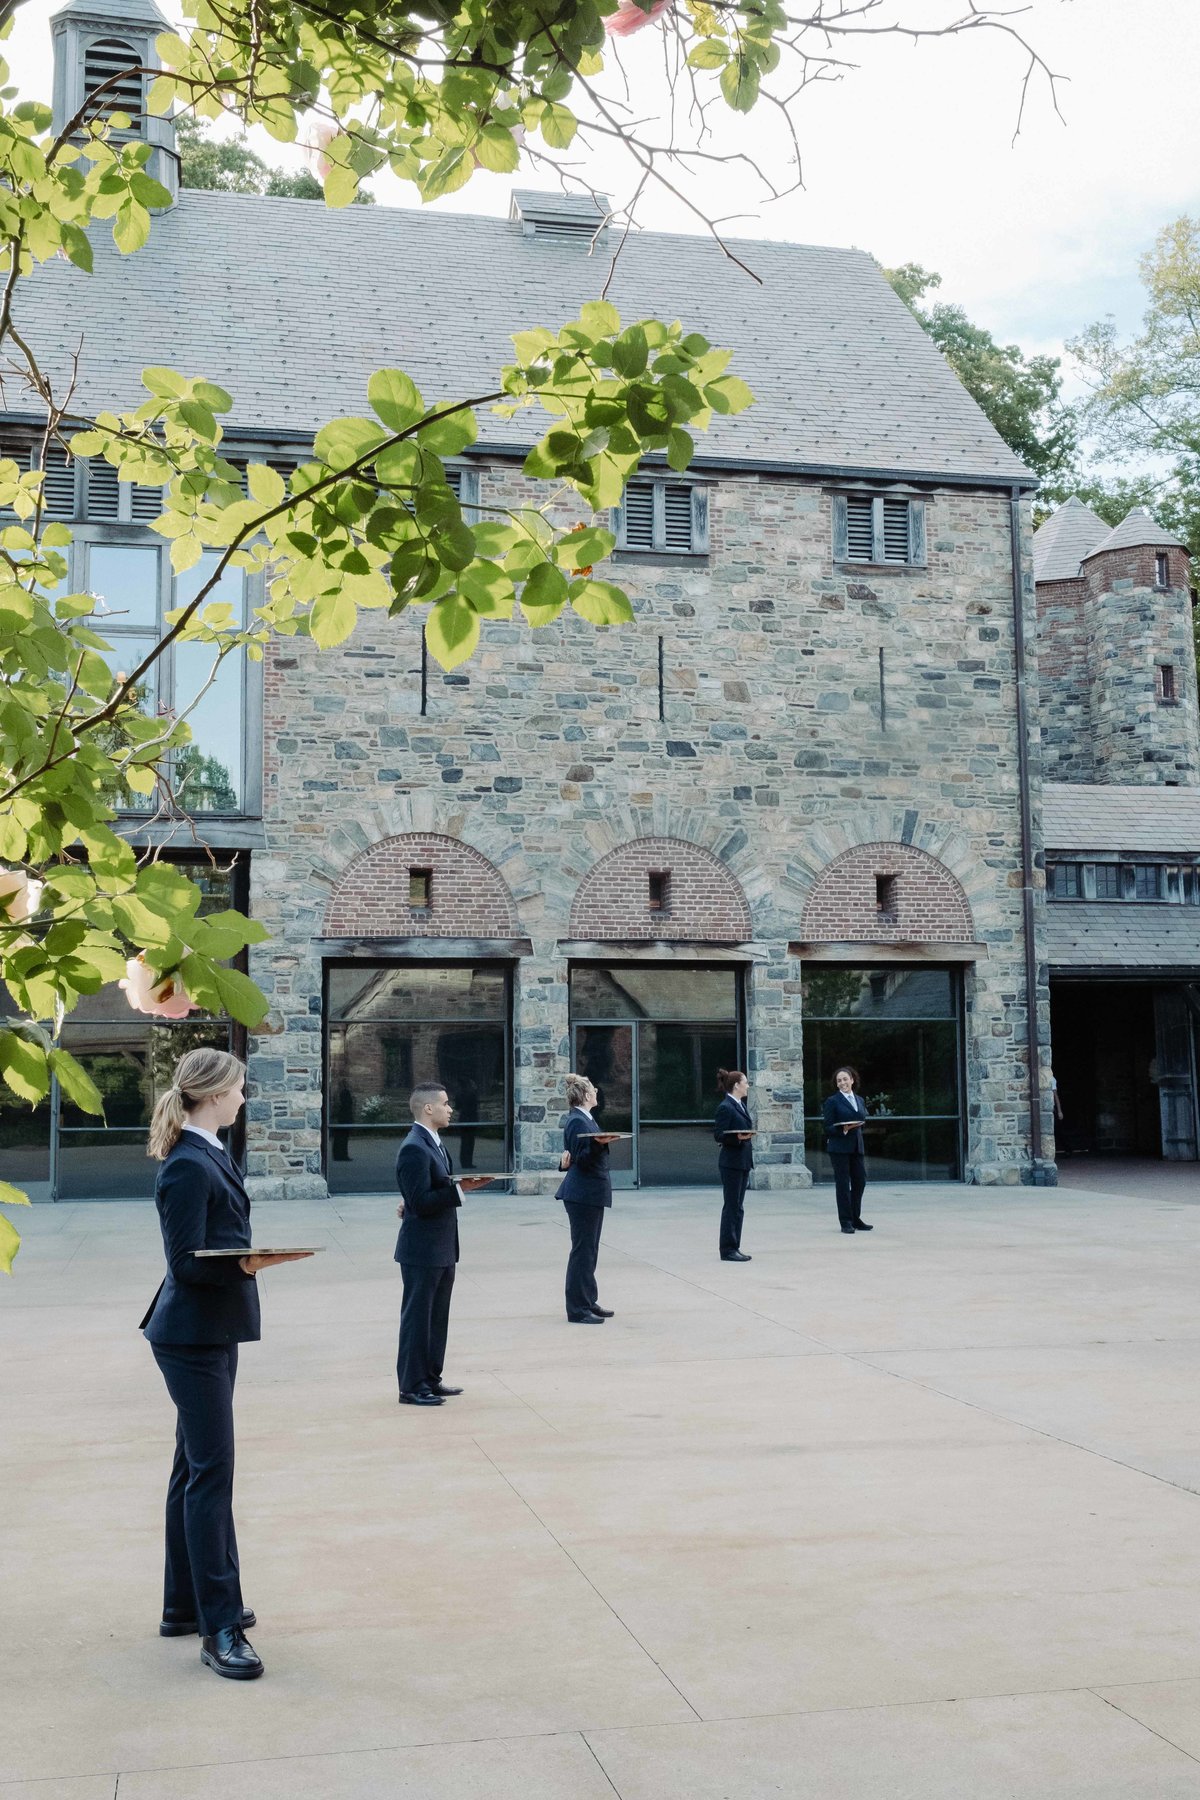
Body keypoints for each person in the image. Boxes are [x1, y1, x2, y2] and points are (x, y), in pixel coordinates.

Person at [141, 1047, 310, 1682]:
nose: (245, 1098)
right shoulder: (187, 1165)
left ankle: (183, 1606)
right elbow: (185, 1263)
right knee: (212, 1475)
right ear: (213, 1094)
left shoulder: (209, 1150)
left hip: (209, 1331)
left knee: (192, 1469)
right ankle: (220, 1627)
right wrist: (250, 1261)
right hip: (191, 1336)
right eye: (239, 1089)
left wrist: (246, 1259)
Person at [394, 1084, 491, 1405]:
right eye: (445, 1104)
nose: (451, 1109)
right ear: (428, 1109)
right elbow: (420, 1202)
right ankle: (412, 1387)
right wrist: (463, 1190)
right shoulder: (414, 1147)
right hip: (422, 1251)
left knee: (436, 1319)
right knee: (418, 1320)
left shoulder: (434, 1144)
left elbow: (417, 1194)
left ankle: (430, 1379)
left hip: (442, 1248)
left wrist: (459, 1187)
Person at [555, 1073, 616, 1323]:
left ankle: (588, 1300)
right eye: (593, 1089)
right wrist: (600, 1144)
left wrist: (599, 1143)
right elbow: (580, 1157)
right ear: (586, 1095)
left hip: (590, 1192)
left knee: (589, 1250)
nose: (597, 1092)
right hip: (583, 1193)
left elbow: (574, 1157)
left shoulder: (585, 1118)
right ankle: (577, 1309)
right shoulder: (578, 1121)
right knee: (582, 1251)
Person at [821, 1065, 872, 1234]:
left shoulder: (859, 1100)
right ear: (836, 1084)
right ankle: (845, 1221)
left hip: (857, 1147)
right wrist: (843, 1129)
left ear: (852, 1080)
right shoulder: (832, 1101)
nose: (842, 1083)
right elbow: (827, 1127)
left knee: (860, 1181)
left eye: (845, 1079)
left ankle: (855, 1217)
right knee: (843, 1185)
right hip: (839, 1148)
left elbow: (862, 1120)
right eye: (839, 1080)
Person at [713, 1068, 754, 1262]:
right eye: (745, 1082)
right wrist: (737, 1137)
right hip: (731, 1163)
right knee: (731, 1206)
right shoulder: (726, 1107)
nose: (747, 1085)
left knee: (738, 1206)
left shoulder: (740, 1105)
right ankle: (728, 1248)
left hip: (743, 1161)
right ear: (736, 1085)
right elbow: (719, 1134)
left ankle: (735, 1245)